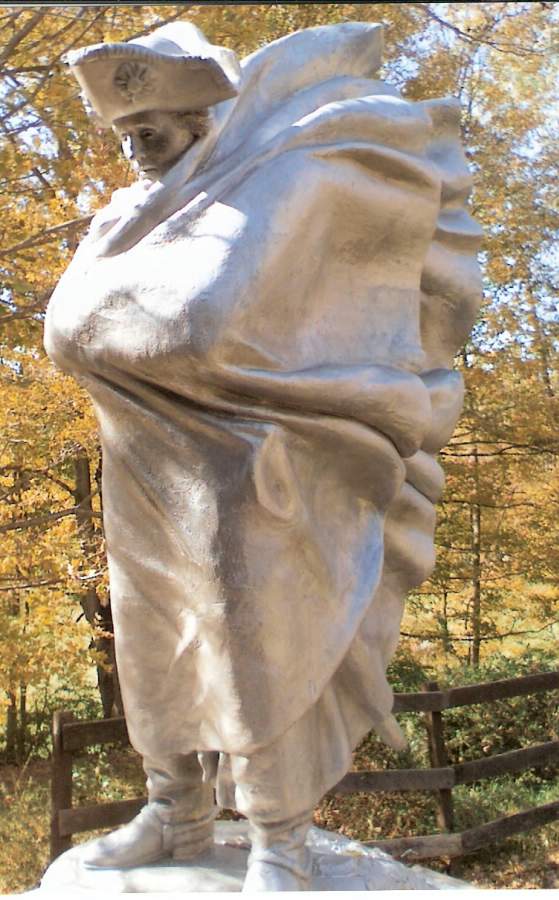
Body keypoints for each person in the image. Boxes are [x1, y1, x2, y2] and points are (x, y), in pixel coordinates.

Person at [44, 20, 482, 891]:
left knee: (256, 648)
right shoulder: (121, 219)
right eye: (124, 131)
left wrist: (140, 330)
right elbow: (73, 330)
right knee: (150, 642)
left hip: (250, 463)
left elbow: (204, 324)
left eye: (150, 129)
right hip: (140, 461)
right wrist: (135, 328)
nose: (135, 147)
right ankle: (175, 808)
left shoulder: (265, 186)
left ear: (200, 119)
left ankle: (279, 835)